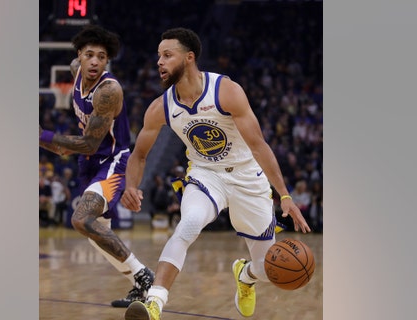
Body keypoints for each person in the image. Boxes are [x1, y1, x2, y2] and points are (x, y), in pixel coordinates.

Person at [121, 28, 311, 320]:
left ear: (189, 57)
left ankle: (245, 275)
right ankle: (154, 304)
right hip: (205, 175)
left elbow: (259, 146)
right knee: (189, 224)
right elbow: (139, 154)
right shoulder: (161, 107)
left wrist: (284, 195)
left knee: (267, 269)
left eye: (167, 55)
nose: (159, 62)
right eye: (158, 56)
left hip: (248, 177)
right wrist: (131, 185)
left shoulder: (226, 91)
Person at [38, 25, 154, 308]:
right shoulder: (76, 70)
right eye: (89, 55)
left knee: (81, 219)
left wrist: (43, 136)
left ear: (107, 61)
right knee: (95, 234)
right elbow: (82, 147)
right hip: (88, 162)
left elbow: (89, 143)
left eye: (101, 57)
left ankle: (144, 275)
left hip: (112, 161)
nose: (94, 61)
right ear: (80, 55)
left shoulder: (108, 90)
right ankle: (139, 284)